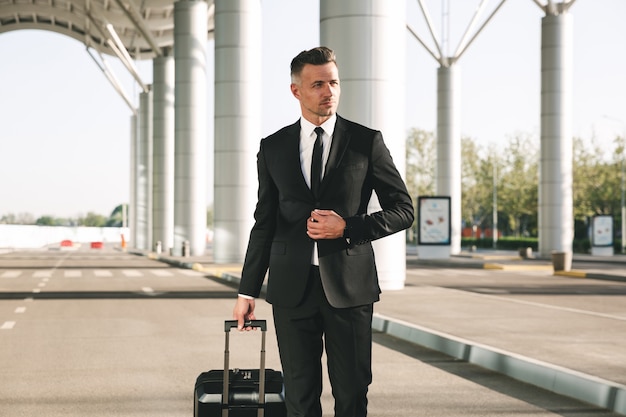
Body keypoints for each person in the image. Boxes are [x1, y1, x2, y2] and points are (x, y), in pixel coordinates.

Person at [232, 46, 414, 417]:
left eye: (333, 82)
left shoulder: (366, 142)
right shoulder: (273, 148)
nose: (328, 91)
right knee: (299, 398)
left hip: (350, 289)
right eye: (318, 84)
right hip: (290, 290)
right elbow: (264, 222)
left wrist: (348, 227)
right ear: (296, 91)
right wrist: (247, 290)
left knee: (351, 395)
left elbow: (404, 210)